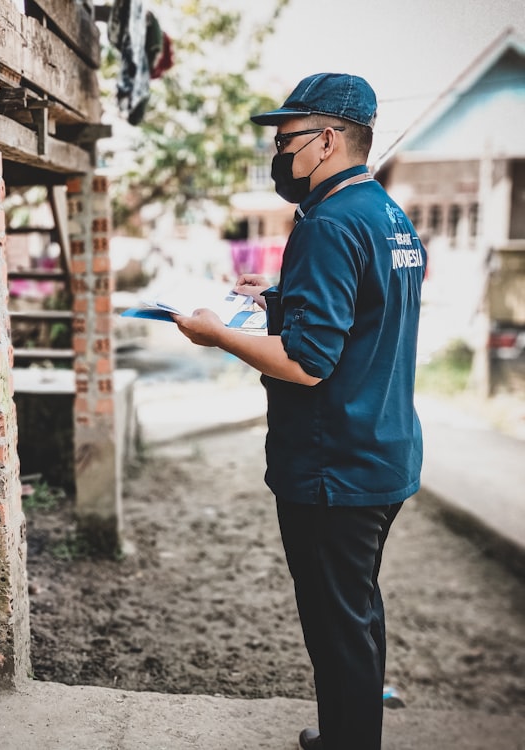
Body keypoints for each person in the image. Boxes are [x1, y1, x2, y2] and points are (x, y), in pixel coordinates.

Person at [172, 73, 425, 750]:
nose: (279, 155)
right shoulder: (386, 215)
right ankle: (348, 731)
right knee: (356, 612)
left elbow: (310, 364)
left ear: (328, 139)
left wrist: (219, 334)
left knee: (335, 623)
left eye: (286, 140)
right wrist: (280, 299)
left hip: (333, 464)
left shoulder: (329, 223)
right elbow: (363, 316)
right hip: (382, 451)